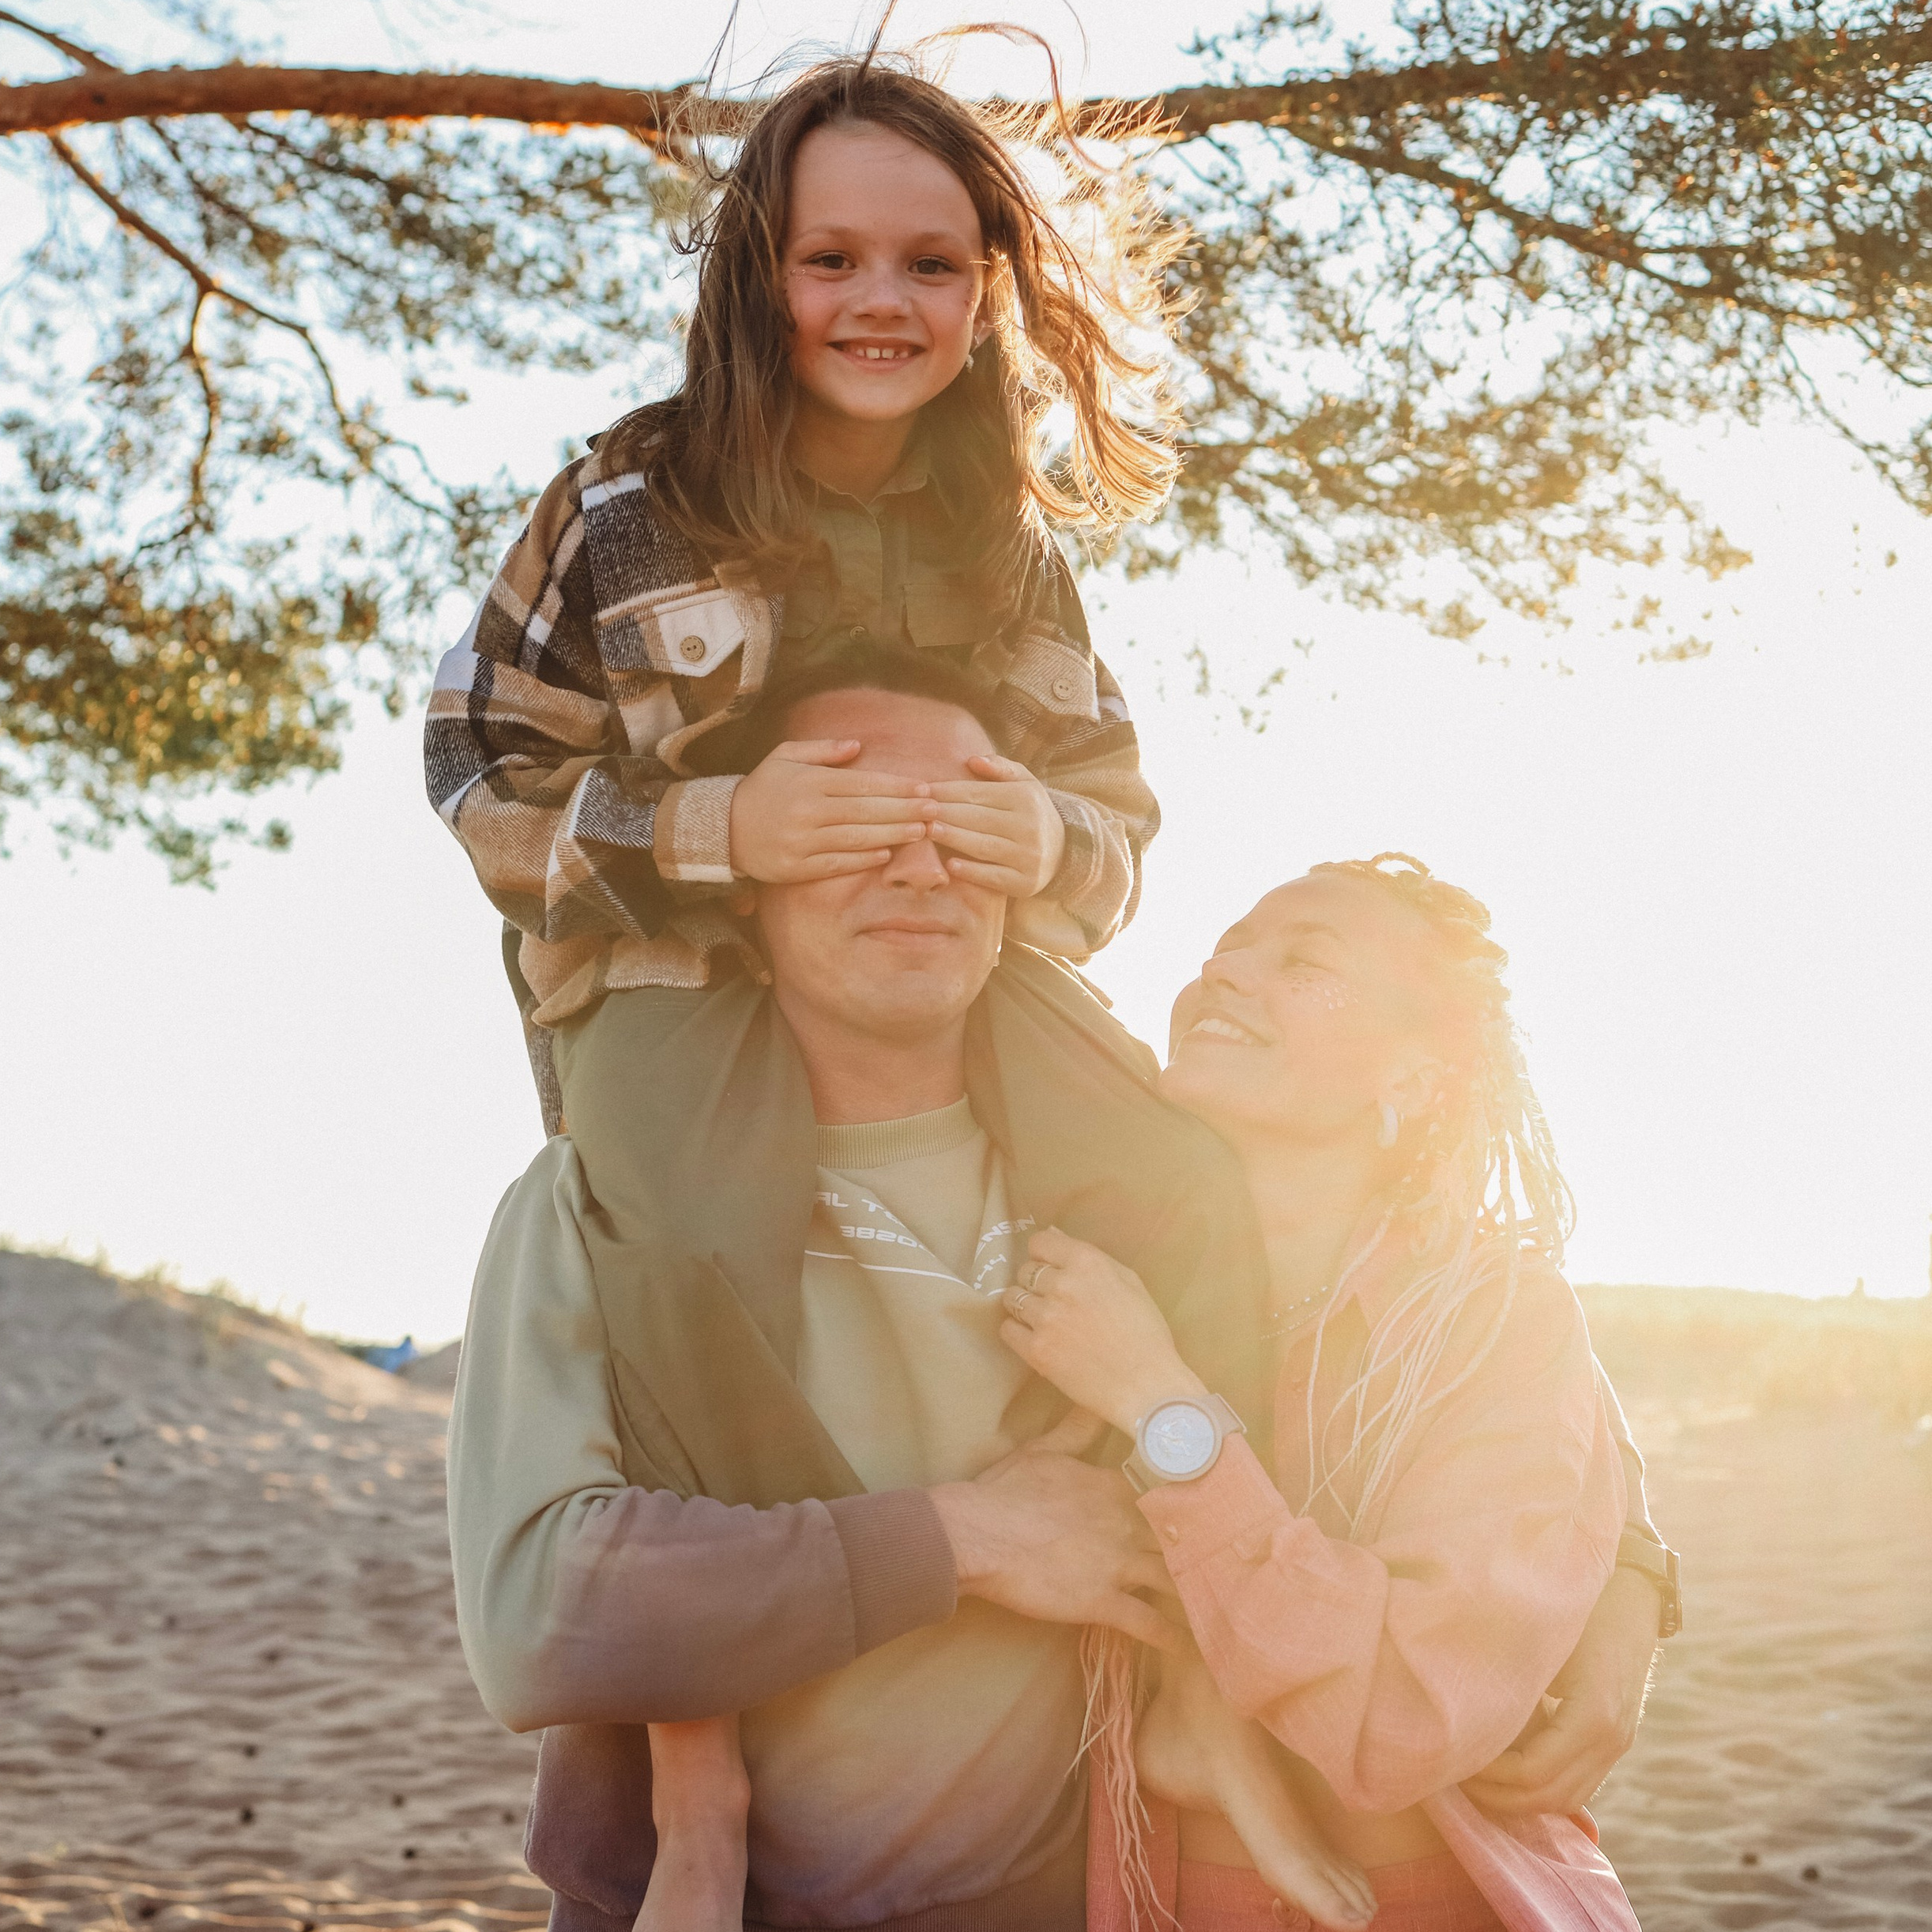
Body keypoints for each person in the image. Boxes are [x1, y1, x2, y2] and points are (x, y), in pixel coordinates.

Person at [446, 665, 1675, 1932]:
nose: (917, 865)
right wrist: (965, 1543)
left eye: (1303, 963)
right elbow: (575, 1570)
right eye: (1225, 949)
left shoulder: (1240, 1246)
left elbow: (1475, 1514)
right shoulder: (643, 1201)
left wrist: (1629, 1572)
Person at [421, 51, 1180, 1136]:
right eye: (831, 259)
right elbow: (484, 778)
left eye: (932, 265)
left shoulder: (1009, 545)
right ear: (758, 281)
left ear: (983, 301)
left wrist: (1050, 838)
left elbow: (1113, 802)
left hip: (939, 972)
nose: (884, 300)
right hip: (675, 974)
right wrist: (721, 826)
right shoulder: (623, 510)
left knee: (1150, 1161)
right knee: (699, 1210)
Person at [998, 856, 1654, 1930]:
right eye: (1226, 950)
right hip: (1156, 1890)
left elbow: (1402, 1717)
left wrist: (1159, 1402)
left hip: (1434, 1896)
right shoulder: (1099, 1274)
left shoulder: (1489, 1318)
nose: (1225, 974)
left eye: (1306, 964)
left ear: (1415, 1077)